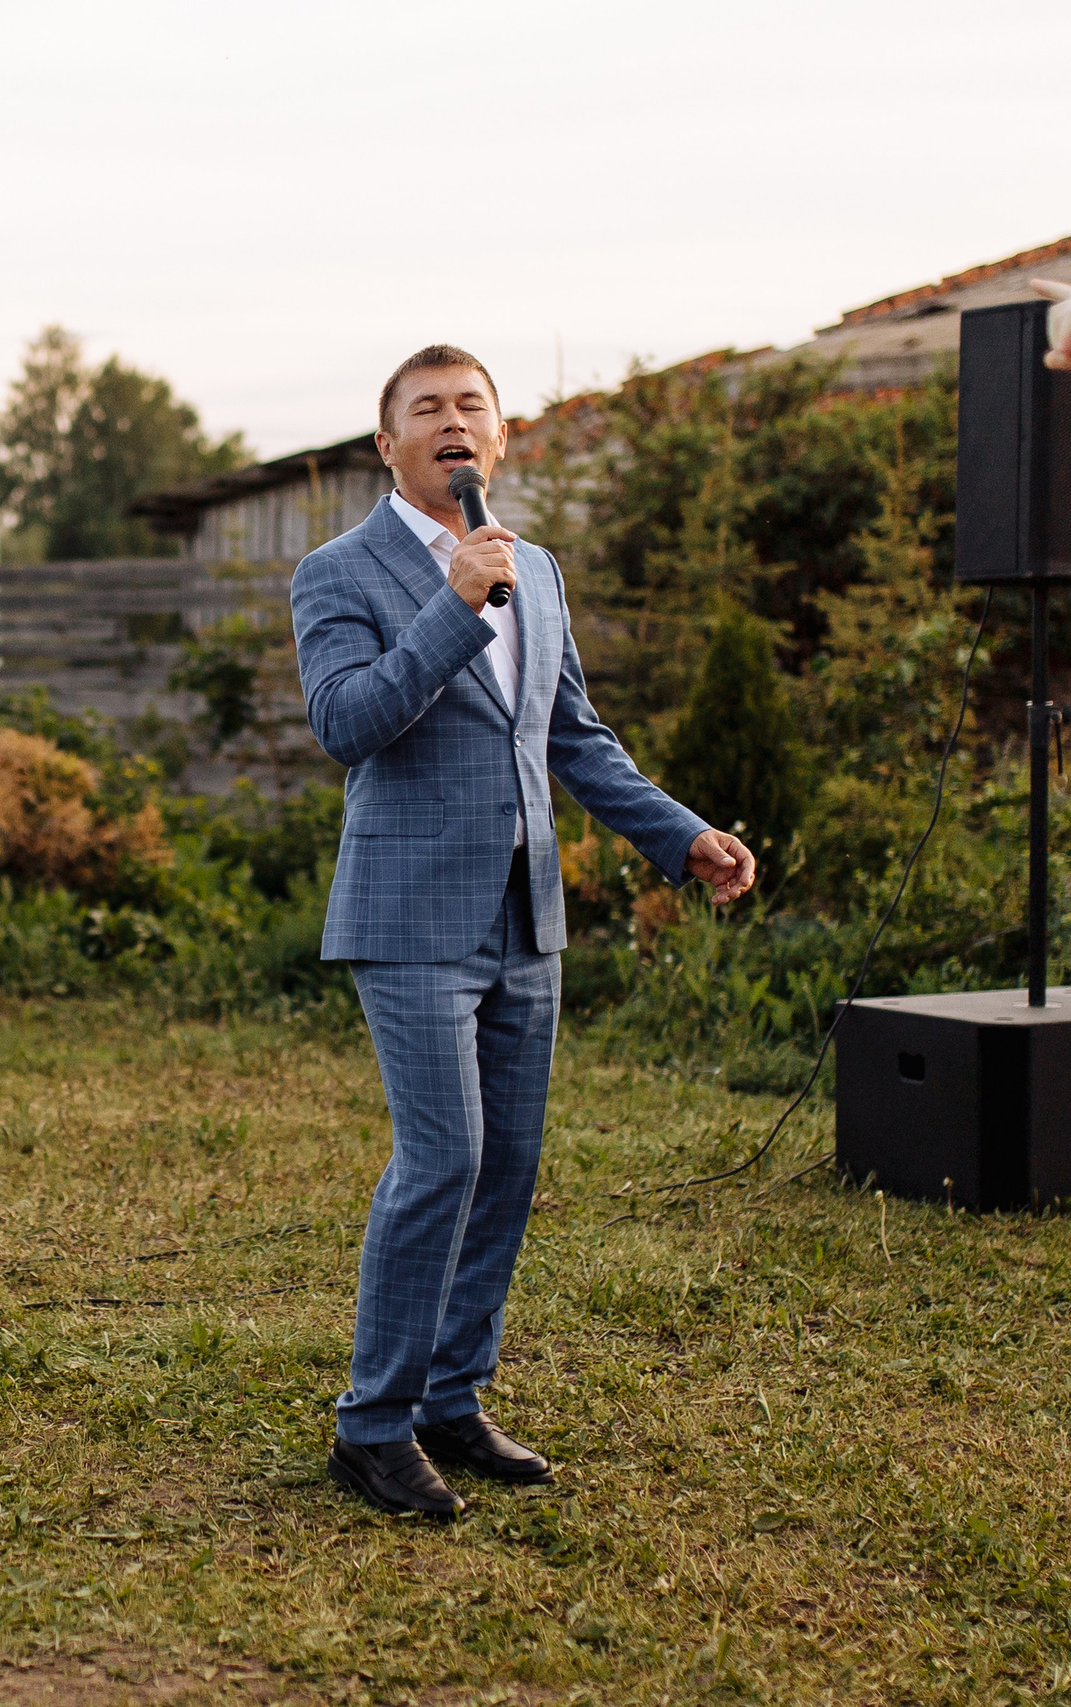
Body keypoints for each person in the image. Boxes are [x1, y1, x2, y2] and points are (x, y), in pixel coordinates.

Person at [291, 345, 758, 1521]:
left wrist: (681, 836)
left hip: (524, 913)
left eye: (472, 409)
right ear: (386, 445)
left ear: (500, 442)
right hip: (407, 915)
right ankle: (372, 1425)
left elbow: (573, 738)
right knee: (441, 1160)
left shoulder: (536, 572)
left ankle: (454, 1398)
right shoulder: (337, 572)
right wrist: (451, 607)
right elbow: (348, 724)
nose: (453, 424)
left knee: (506, 1169)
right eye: (426, 411)